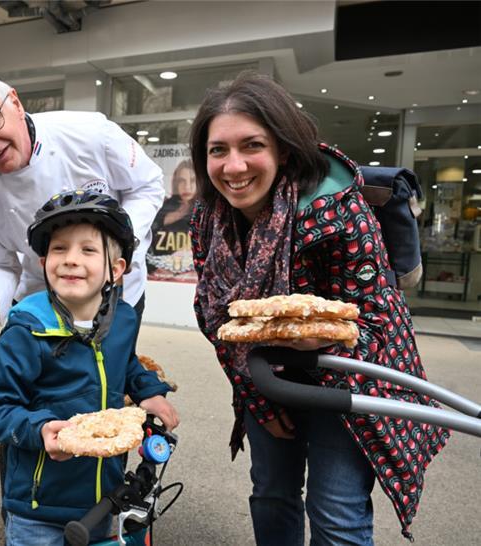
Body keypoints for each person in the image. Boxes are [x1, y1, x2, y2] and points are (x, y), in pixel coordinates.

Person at [188, 72, 449, 545]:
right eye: (218, 150)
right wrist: (255, 395)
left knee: (336, 510)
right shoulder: (210, 217)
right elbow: (215, 316)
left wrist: (324, 337)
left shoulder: (337, 210)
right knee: (271, 492)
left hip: (349, 374)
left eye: (252, 146)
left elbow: (378, 323)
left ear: (283, 150)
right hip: (266, 373)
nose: (234, 166)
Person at [0, 0, 164, 322]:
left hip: (118, 289)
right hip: (38, 301)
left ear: (15, 103)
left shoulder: (90, 133)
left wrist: (121, 242)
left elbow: (148, 185)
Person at [0, 189, 180, 545]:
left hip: (105, 498)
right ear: (43, 262)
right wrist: (39, 430)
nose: (71, 259)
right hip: (38, 506)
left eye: (88, 250)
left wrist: (147, 391)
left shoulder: (121, 320)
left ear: (115, 270)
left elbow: (127, 364)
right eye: (59, 249)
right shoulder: (27, 330)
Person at [148, 159, 197, 280]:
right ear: (175, 183)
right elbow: (148, 237)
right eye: (182, 181)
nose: (187, 186)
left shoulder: (207, 211)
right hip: (160, 275)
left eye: (192, 180)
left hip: (191, 277)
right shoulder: (164, 207)